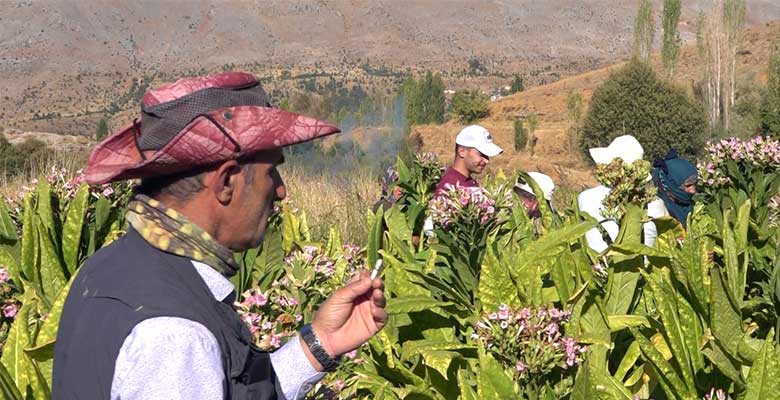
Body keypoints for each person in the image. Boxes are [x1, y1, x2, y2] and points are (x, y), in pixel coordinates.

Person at [52, 72, 388, 400]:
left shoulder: (110, 266)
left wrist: (322, 343)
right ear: (227, 182)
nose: (281, 191)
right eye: (271, 172)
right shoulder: (177, 337)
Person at [578, 135, 667, 253]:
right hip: (644, 268)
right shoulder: (656, 203)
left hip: (598, 267)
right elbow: (668, 238)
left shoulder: (585, 197)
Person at [433, 124, 503, 197]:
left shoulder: (467, 182)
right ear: (462, 152)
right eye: (481, 154)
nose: (486, 161)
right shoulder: (449, 188)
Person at [651, 150, 698, 228]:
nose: (693, 191)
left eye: (695, 184)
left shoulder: (694, 206)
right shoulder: (657, 213)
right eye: (688, 185)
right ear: (669, 184)